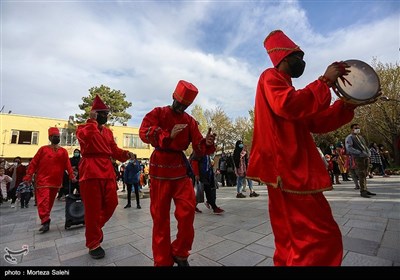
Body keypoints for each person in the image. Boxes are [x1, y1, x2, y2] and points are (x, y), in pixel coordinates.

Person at [246, 30, 359, 266]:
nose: (303, 62)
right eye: (298, 56)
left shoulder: (289, 89)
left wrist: (346, 106)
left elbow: (316, 122)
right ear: (284, 59)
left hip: (286, 171)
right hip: (288, 168)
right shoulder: (270, 77)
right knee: (318, 237)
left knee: (291, 239)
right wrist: (324, 82)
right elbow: (288, 105)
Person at [139, 80, 216, 266]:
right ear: (174, 97)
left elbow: (198, 145)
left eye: (185, 105)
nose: (181, 107)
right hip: (159, 170)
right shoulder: (158, 113)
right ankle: (162, 260)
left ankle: (180, 252)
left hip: (181, 171)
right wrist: (166, 134)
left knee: (188, 212)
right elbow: (144, 132)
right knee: (160, 219)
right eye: (179, 103)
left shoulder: (189, 120)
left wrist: (207, 142)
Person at [76, 94, 134, 259]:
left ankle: (95, 229)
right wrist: (91, 122)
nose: (107, 116)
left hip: (107, 170)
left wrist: (126, 154)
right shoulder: (83, 128)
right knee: (93, 209)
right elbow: (85, 137)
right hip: (90, 170)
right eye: (104, 113)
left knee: (112, 203)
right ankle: (93, 243)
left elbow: (114, 150)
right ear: (95, 114)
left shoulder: (108, 132)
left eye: (107, 114)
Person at [23, 127, 76, 233]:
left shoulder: (63, 151)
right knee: (43, 201)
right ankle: (45, 221)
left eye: (58, 136)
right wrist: (28, 176)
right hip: (43, 181)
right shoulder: (43, 150)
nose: (56, 138)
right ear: (50, 137)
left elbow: (67, 165)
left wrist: (72, 176)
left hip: (56, 182)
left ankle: (46, 217)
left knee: (50, 202)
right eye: (54, 136)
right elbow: (33, 163)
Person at [345, 124, 376, 198]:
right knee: (361, 174)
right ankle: (363, 191)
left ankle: (365, 189)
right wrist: (359, 152)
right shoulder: (350, 138)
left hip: (365, 157)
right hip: (358, 157)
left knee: (365, 173)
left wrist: (368, 152)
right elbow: (349, 148)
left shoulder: (360, 137)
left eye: (358, 128)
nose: (357, 129)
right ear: (352, 129)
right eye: (356, 128)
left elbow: (364, 146)